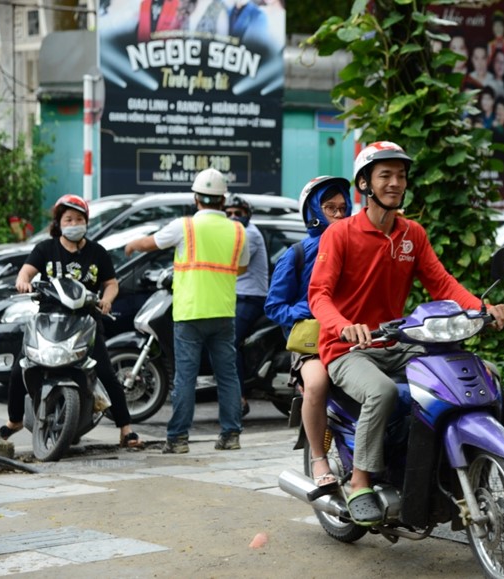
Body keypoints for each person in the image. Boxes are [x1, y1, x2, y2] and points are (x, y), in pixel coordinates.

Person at [308, 141, 504, 526]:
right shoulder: (341, 235)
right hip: (348, 348)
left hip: (399, 341)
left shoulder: (411, 234)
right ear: (364, 183)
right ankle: (361, 483)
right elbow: (319, 295)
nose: (395, 183)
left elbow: (442, 283)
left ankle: (459, 469)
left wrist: (482, 309)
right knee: (381, 392)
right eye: (385, 175)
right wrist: (343, 327)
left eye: (400, 175)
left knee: (481, 374)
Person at [0, 195, 142, 449]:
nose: (74, 223)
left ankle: (126, 429)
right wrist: (23, 281)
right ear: (59, 223)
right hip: (48, 320)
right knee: (21, 368)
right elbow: (27, 271)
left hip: (86, 321)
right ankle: (15, 420)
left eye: (79, 219)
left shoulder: (97, 252)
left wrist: (107, 300)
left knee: (106, 372)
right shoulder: (45, 249)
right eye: (69, 219)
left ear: (86, 222)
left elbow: (111, 283)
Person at [125, 168, 248, 453]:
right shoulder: (238, 230)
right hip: (223, 313)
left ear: (196, 198)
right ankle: (231, 435)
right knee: (227, 376)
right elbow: (240, 266)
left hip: (190, 314)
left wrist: (131, 245)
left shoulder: (185, 226)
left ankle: (178, 439)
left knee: (185, 378)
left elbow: (152, 243)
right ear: (222, 199)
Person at [264, 175, 352, 489]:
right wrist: (312, 308)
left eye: (344, 207)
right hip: (312, 343)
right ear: (313, 211)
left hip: (353, 338)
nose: (339, 215)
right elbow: (274, 307)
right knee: (316, 384)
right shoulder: (297, 254)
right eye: (330, 208)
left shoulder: (358, 247)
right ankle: (318, 458)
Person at [224, 194, 268, 416]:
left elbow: (229, 260)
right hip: (235, 296)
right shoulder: (235, 233)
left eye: (237, 214)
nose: (232, 217)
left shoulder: (248, 235)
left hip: (250, 298)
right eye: (228, 213)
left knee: (230, 343)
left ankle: (239, 399)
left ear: (247, 215)